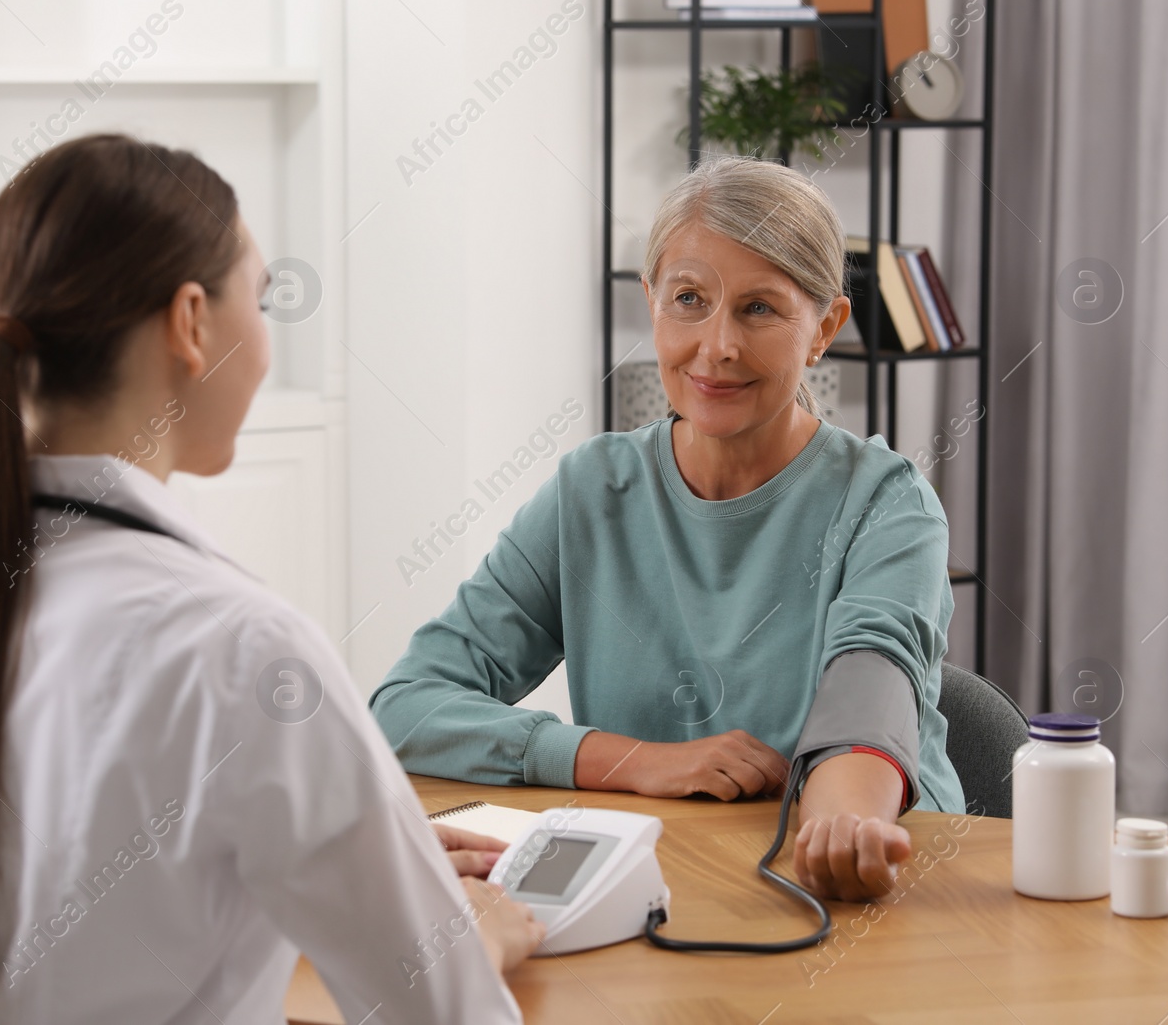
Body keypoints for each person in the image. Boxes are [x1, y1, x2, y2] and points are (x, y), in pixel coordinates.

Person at [0, 134, 539, 1025]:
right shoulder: (246, 650)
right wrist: (467, 938)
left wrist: (334, 867)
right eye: (260, 296)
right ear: (190, 321)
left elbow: (62, 927)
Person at [371, 156, 966, 904]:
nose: (716, 346)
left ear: (824, 330)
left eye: (759, 309)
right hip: (663, 881)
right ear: (651, 301)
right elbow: (407, 702)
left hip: (866, 888)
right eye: (689, 298)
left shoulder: (888, 502)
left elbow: (866, 703)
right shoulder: (592, 490)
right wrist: (633, 761)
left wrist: (843, 827)